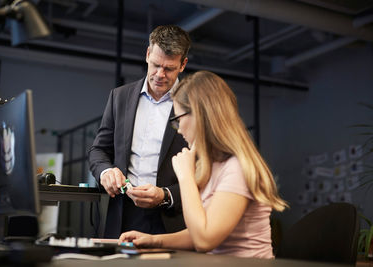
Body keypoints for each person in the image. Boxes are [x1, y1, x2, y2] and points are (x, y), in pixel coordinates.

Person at [119, 70, 288, 258]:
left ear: (199, 116)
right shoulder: (215, 166)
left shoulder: (236, 168)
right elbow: (199, 231)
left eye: (179, 119)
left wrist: (186, 177)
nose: (179, 128)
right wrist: (154, 240)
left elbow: (204, 240)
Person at [88, 25, 191, 238]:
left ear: (183, 65)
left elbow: (205, 171)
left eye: (169, 68)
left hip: (173, 219)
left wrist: (165, 195)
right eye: (155, 65)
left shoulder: (194, 105)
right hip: (121, 213)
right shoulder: (120, 97)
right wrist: (106, 172)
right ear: (147, 54)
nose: (160, 75)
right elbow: (98, 151)